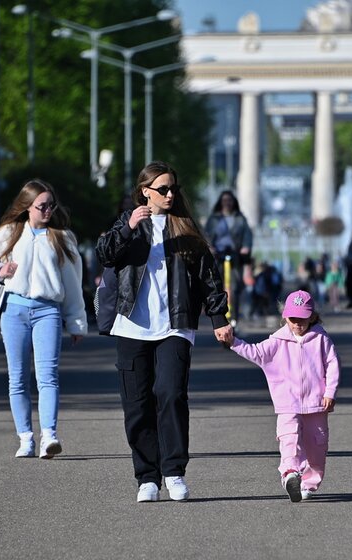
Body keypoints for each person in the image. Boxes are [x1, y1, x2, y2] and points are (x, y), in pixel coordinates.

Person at [96, 161, 233, 503]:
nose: (170, 195)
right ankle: (147, 477)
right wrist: (128, 228)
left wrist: (219, 319)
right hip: (131, 325)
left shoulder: (184, 229)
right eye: (162, 189)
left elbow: (208, 276)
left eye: (174, 189)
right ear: (145, 192)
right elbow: (105, 253)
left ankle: (173, 472)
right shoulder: (126, 225)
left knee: (171, 395)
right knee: (137, 404)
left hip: (175, 324)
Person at [0, 179, 87, 459]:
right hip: (14, 310)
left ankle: (49, 435)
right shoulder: (9, 233)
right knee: (18, 378)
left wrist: (76, 321)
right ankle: (25, 438)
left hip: (48, 310)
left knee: (48, 377)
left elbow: (73, 283)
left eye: (51, 205)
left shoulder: (61, 237)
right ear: (27, 207)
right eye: (41, 206)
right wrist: (0, 271)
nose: (47, 210)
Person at [225, 289, 340, 502]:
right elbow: (256, 352)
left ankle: (308, 483)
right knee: (289, 438)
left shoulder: (321, 339)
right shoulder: (277, 341)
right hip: (288, 402)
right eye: (293, 318)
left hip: (317, 403)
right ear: (285, 317)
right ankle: (290, 473)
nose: (298, 323)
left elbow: (333, 365)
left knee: (317, 447)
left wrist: (330, 392)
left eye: (303, 318)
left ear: (313, 316)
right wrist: (233, 343)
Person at [204, 190, 253, 319]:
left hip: (235, 254)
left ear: (233, 202)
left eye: (229, 200)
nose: (227, 203)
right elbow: (206, 235)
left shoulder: (240, 218)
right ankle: (219, 315)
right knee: (216, 284)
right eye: (224, 200)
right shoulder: (214, 219)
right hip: (218, 255)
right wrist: (210, 247)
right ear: (220, 202)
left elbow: (247, 235)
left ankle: (235, 316)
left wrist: (246, 247)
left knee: (235, 285)